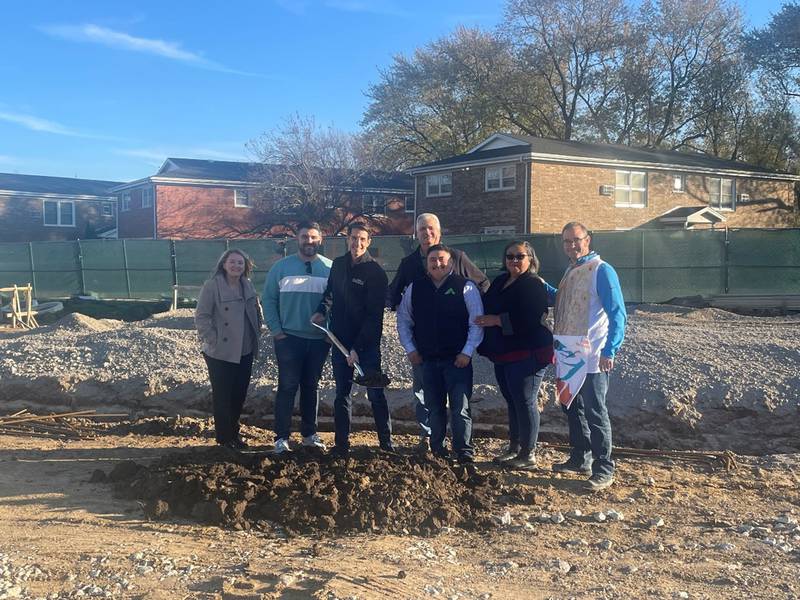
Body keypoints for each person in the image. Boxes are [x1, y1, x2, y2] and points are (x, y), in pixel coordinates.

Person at [387, 213, 488, 445]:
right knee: (424, 396)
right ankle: (429, 437)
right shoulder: (409, 264)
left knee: (459, 402)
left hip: (456, 350)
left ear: (439, 232)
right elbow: (394, 296)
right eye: (422, 229)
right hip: (424, 350)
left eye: (431, 228)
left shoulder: (458, 258)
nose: (427, 233)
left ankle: (462, 447)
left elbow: (483, 284)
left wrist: (484, 318)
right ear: (416, 233)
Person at [545, 222, 627, 491]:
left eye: (576, 240)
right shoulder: (572, 270)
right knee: (572, 408)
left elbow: (618, 314)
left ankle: (604, 467)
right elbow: (567, 300)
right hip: (569, 354)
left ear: (588, 240)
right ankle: (581, 457)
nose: (571, 246)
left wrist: (610, 349)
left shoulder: (601, 270)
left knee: (595, 411)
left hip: (592, 357)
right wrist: (540, 285)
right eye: (567, 241)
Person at [311, 223, 393, 455]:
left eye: (362, 239)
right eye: (353, 238)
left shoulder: (375, 273)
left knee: (375, 394)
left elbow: (373, 316)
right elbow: (330, 293)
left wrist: (357, 348)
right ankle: (341, 444)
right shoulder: (338, 265)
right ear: (348, 239)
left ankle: (386, 445)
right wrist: (321, 310)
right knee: (342, 395)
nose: (357, 243)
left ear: (368, 242)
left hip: (365, 345)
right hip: (339, 341)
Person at [475, 241, 553, 470]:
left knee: (525, 400)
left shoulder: (533, 284)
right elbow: (486, 304)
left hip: (528, 352)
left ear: (530, 259)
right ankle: (515, 448)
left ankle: (528, 453)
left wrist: (498, 320)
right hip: (504, 353)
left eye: (520, 256)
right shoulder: (500, 281)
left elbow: (533, 317)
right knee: (512, 400)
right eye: (510, 256)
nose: (514, 261)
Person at [263, 222, 332, 454]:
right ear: (297, 239)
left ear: (320, 239)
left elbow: (337, 304)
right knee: (287, 386)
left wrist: (329, 333)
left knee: (311, 386)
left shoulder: (330, 268)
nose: (309, 241)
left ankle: (309, 434)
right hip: (288, 338)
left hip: (318, 341)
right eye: (304, 237)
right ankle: (281, 437)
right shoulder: (281, 268)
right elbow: (269, 300)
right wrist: (277, 331)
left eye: (313, 237)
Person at [195, 249, 262, 450]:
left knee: (238, 395)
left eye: (240, 263)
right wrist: (213, 340)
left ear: (245, 267)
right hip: (220, 352)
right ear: (223, 264)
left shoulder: (247, 286)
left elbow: (256, 312)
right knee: (222, 396)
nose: (236, 266)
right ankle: (224, 439)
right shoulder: (212, 286)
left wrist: (257, 331)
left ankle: (235, 434)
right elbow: (202, 316)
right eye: (232, 262)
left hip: (245, 349)